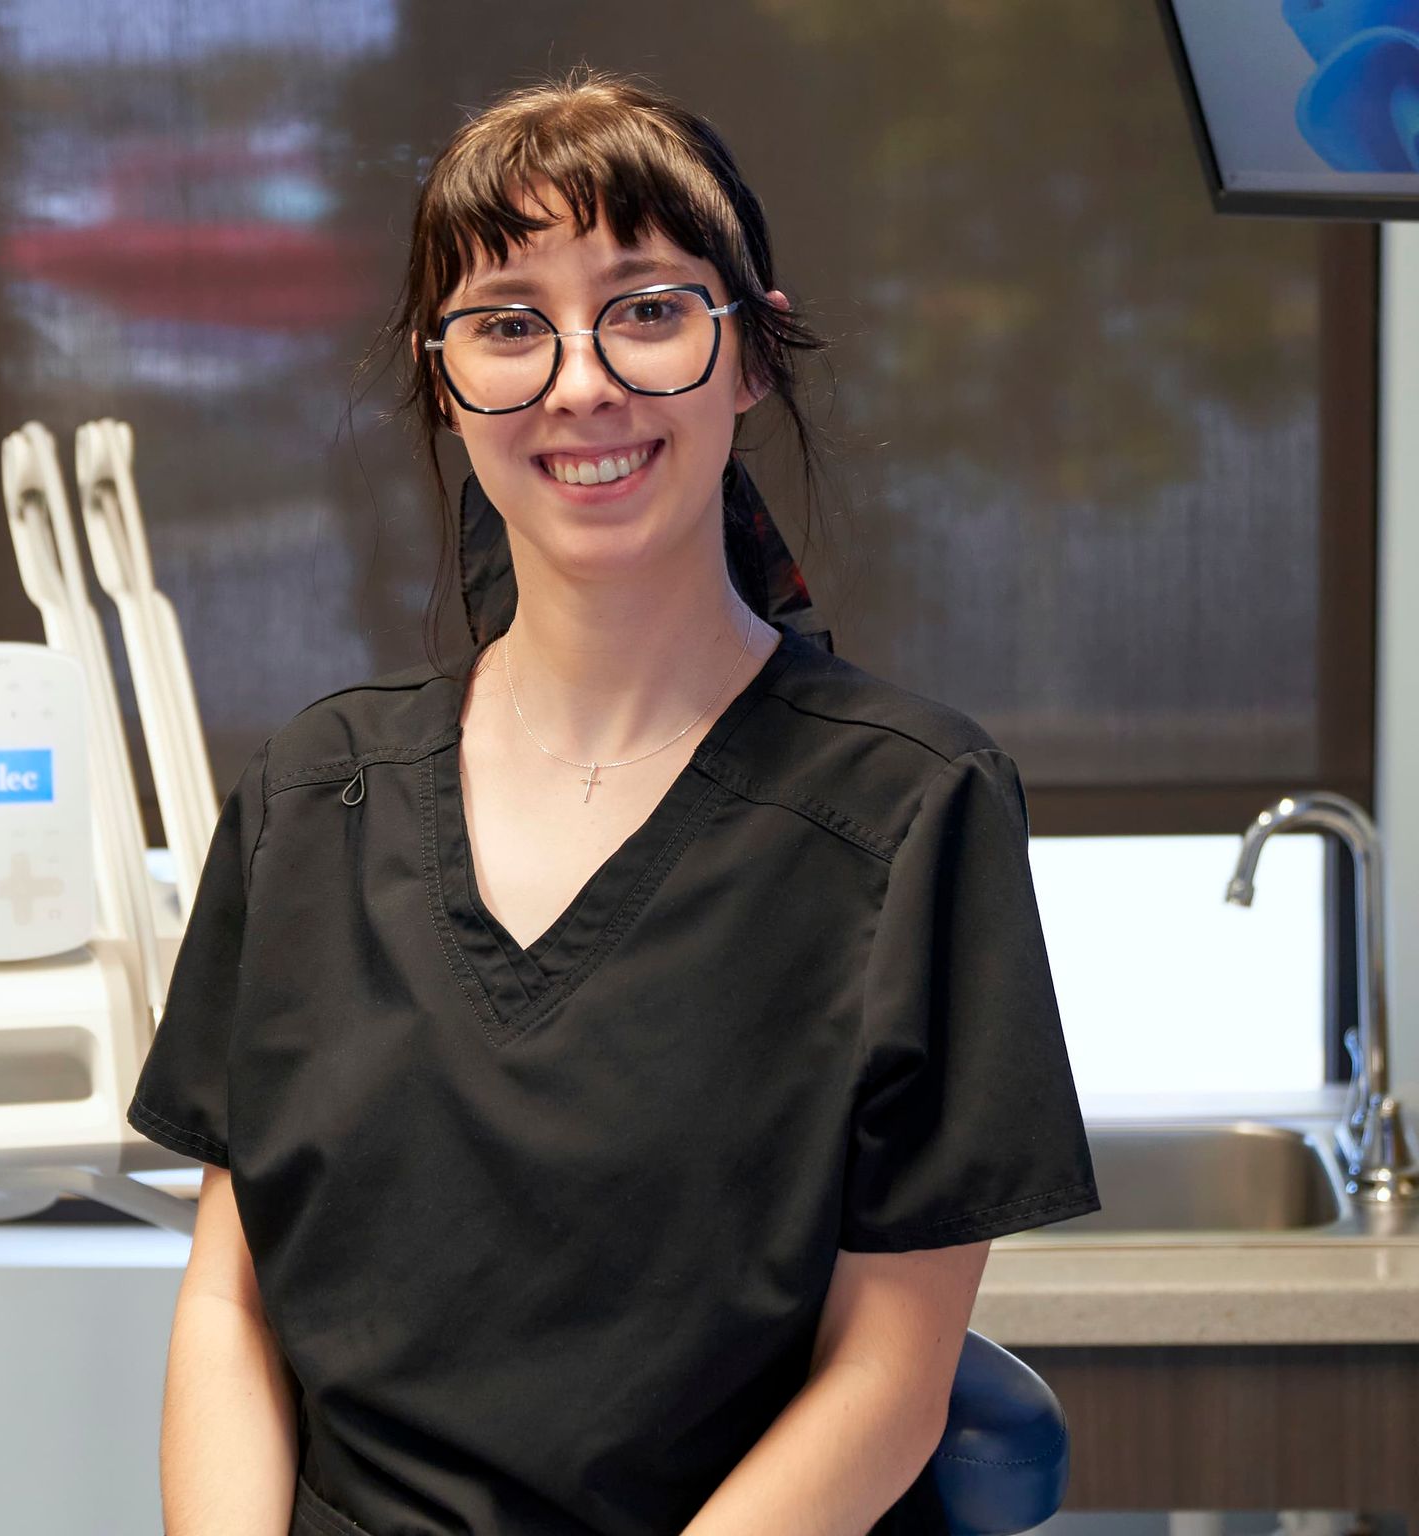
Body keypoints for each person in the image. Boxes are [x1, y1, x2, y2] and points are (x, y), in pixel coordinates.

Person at [128, 65, 1101, 1536]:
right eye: (509, 324)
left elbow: (890, 1376)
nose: (579, 380)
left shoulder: (910, 810)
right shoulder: (314, 796)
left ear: (751, 352)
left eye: (647, 309)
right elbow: (231, 1302)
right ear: (443, 379)